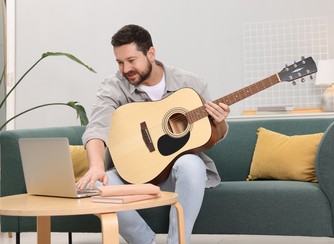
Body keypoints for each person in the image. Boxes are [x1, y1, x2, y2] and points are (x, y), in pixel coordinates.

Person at [76, 24, 230, 244]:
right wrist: (96, 166)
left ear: (151, 53)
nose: (125, 69)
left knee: (192, 164)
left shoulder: (190, 84)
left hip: (174, 174)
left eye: (131, 60)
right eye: (119, 62)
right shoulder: (113, 86)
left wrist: (220, 122)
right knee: (92, 185)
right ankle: (145, 242)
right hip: (131, 175)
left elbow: (214, 135)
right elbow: (97, 127)